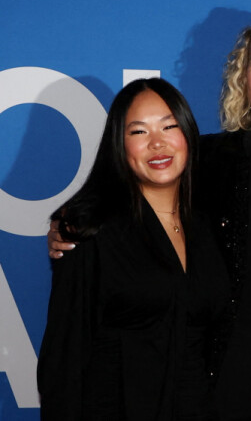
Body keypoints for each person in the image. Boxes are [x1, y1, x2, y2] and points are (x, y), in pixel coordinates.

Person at [48, 12, 251, 421]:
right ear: (243, 75)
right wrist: (69, 226)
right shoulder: (207, 161)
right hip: (218, 387)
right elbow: (135, 197)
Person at [38, 78, 228, 421]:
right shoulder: (88, 230)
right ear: (119, 146)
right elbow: (63, 360)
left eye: (169, 126)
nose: (158, 143)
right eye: (139, 132)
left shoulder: (210, 225)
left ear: (188, 135)